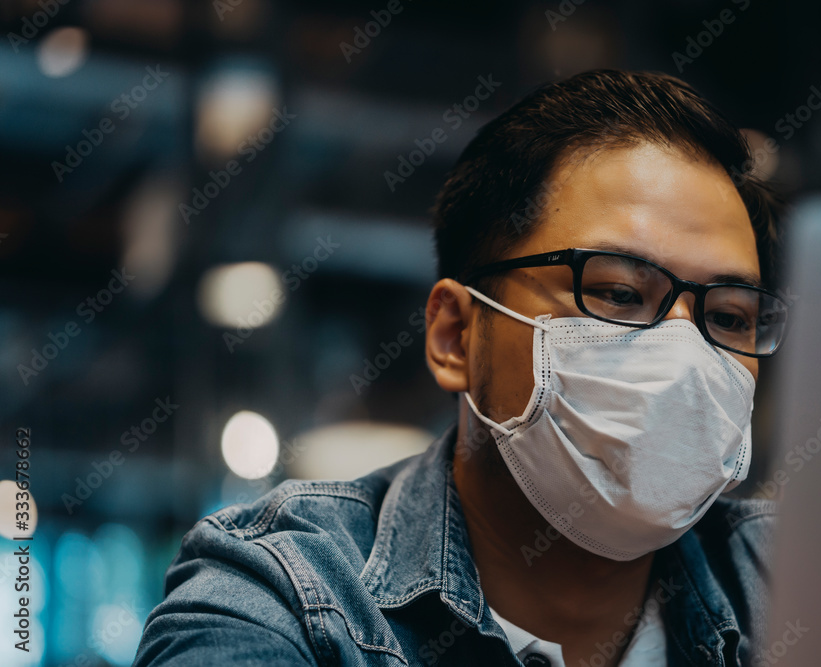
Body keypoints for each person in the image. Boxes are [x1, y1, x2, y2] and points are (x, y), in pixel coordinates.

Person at [133, 68, 787, 667]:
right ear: (455, 335)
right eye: (616, 292)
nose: (684, 355)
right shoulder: (282, 593)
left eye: (728, 317)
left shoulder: (801, 581)